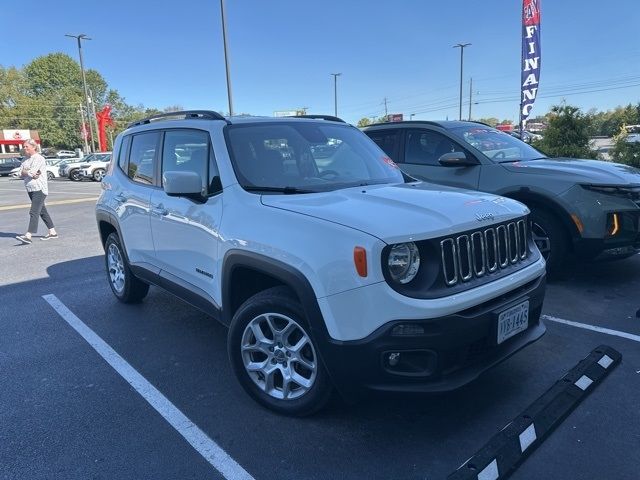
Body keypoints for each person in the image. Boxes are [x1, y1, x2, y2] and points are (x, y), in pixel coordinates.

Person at [15, 139, 58, 245]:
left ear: (33, 147)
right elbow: (20, 173)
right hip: (30, 188)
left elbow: (32, 173)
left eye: (26, 146)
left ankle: (28, 235)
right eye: (24, 147)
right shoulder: (25, 159)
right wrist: (26, 172)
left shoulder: (39, 158)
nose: (24, 148)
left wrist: (27, 172)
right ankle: (52, 232)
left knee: (33, 211)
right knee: (42, 211)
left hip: (39, 188)